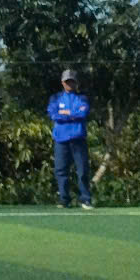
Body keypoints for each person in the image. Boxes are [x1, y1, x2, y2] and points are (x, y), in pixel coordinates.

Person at [48, 69, 94, 209]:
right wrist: (71, 114)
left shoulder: (82, 98)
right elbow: (54, 114)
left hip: (78, 138)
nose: (69, 84)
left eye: (72, 81)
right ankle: (64, 199)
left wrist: (65, 114)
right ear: (62, 83)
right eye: (67, 81)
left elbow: (82, 113)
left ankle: (85, 199)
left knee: (82, 170)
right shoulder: (55, 98)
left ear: (76, 83)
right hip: (61, 139)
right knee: (61, 170)